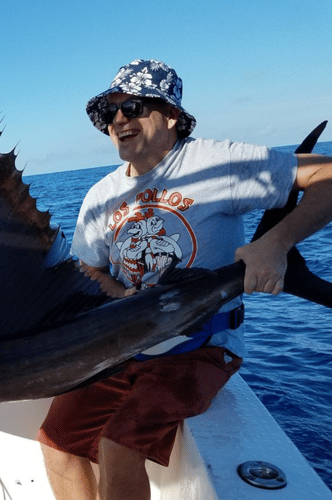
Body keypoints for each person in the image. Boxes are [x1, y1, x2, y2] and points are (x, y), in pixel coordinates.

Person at [37, 59, 332, 500]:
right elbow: (88, 267)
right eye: (108, 112)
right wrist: (123, 294)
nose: (119, 120)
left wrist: (275, 245)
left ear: (171, 114)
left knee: (117, 445)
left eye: (132, 106)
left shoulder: (217, 163)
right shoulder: (101, 195)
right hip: (125, 346)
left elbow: (326, 174)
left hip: (200, 349)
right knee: (57, 443)